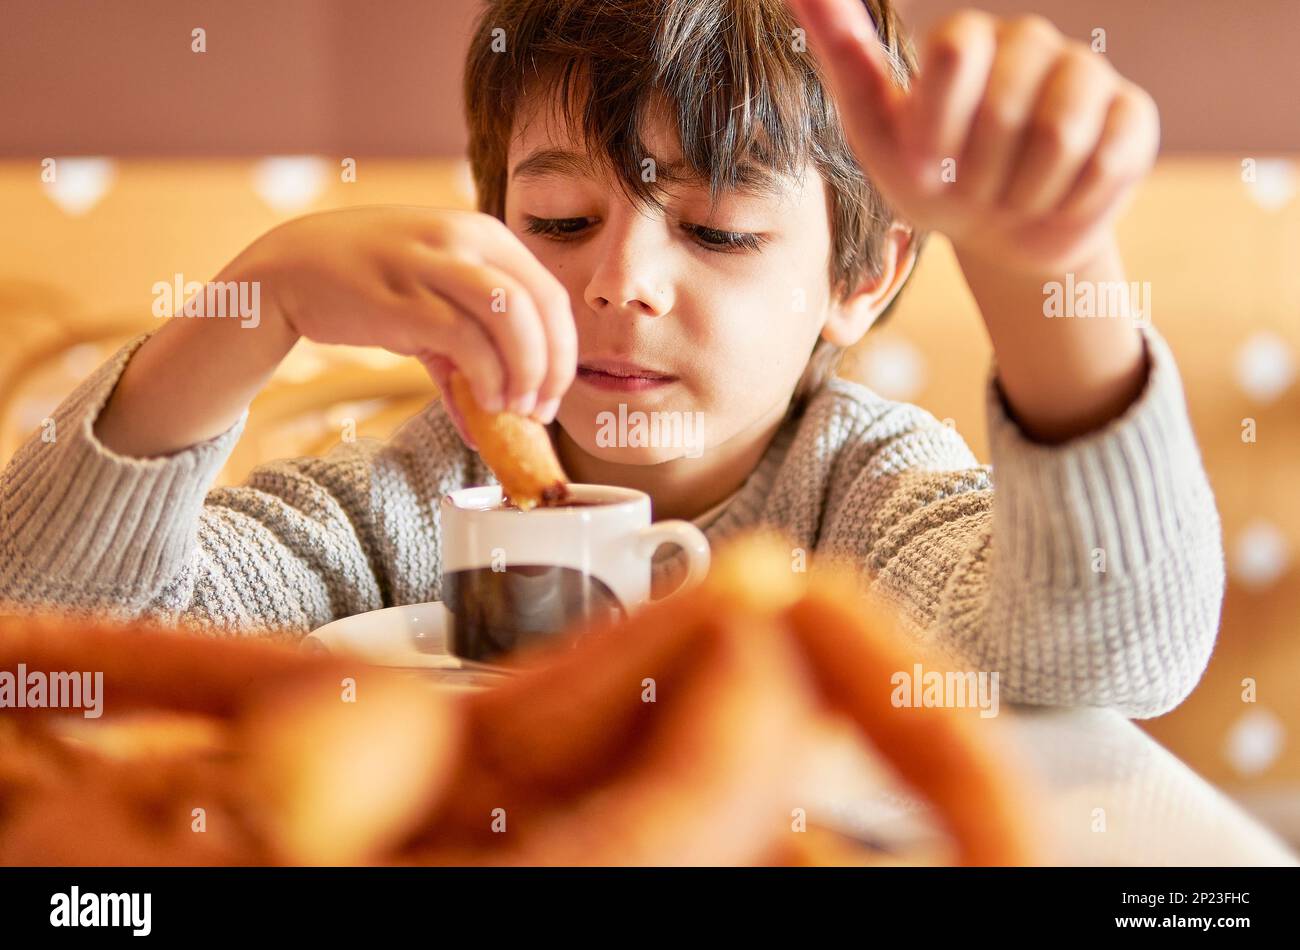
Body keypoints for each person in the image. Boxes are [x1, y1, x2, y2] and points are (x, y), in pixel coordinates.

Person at [0, 0, 1223, 718]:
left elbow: (1107, 651)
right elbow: (45, 649)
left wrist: (1035, 268)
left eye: (719, 230)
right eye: (562, 223)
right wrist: (248, 304)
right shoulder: (396, 507)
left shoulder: (870, 497)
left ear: (863, 277)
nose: (617, 280)